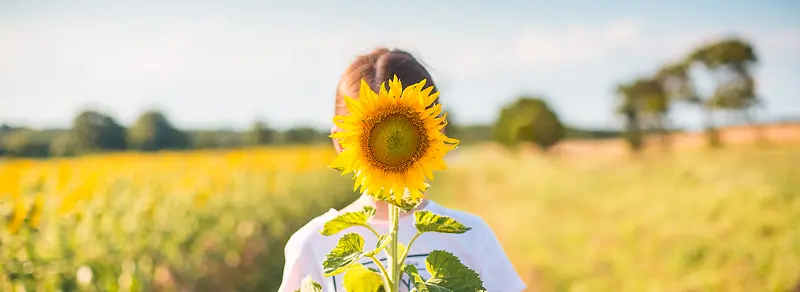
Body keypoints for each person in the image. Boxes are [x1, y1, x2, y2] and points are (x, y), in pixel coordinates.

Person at [277, 47, 526, 292]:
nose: (392, 142)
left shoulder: (473, 238)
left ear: (435, 133)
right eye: (375, 132)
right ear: (342, 142)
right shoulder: (313, 245)